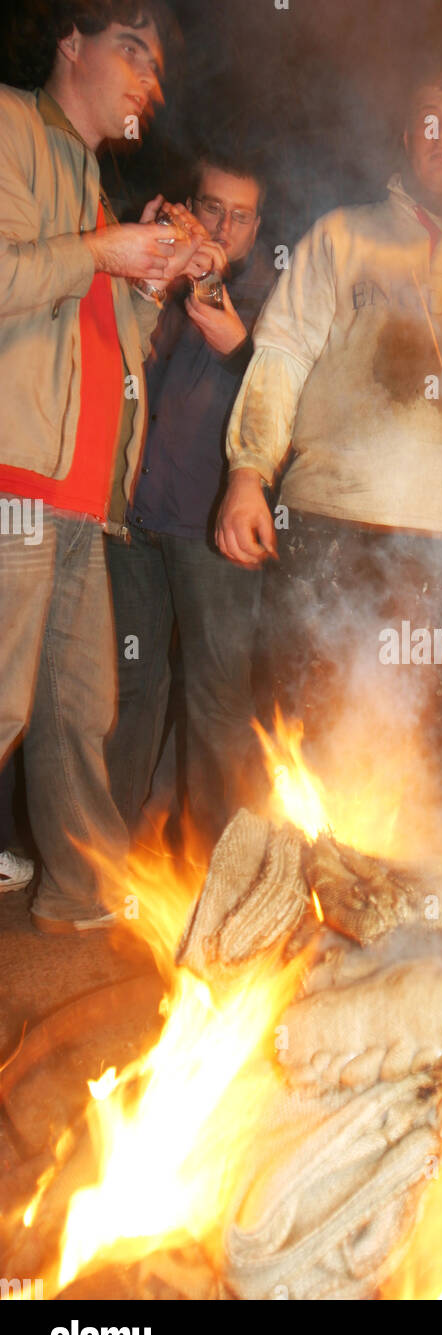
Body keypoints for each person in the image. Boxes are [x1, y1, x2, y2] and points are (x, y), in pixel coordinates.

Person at [215, 62, 442, 808]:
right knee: (300, 736)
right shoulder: (339, 238)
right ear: (407, 137)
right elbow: (279, 356)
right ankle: (286, 906)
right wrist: (248, 473)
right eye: (428, 122)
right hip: (325, 525)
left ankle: (396, 917)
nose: (441, 137)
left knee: (422, 748)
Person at [0, 1, 225, 933]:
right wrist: (101, 249)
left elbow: (103, 341)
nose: (149, 80)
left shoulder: (88, 178)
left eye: (157, 66)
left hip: (83, 498)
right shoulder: (10, 125)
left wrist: (144, 285)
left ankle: (81, 902)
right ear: (70, 44)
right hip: (15, 483)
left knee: (77, 711)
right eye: (132, 50)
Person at [105, 152, 277, 852]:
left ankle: (211, 865)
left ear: (256, 225)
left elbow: (290, 399)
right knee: (126, 686)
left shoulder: (274, 294)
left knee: (216, 697)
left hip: (215, 528)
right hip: (135, 517)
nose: (224, 227)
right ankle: (106, 857)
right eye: (212, 208)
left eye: (240, 216)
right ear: (189, 206)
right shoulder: (159, 273)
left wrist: (240, 344)